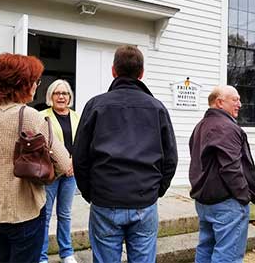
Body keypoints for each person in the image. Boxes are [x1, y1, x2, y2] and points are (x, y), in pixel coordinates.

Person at [73, 45, 178, 263]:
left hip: (108, 198)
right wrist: (156, 190)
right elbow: (171, 158)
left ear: (113, 71)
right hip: (141, 199)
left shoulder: (96, 105)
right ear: (141, 73)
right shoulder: (156, 108)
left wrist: (90, 192)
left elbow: (80, 157)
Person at [0, 53, 72, 263]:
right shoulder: (29, 115)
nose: (37, 85)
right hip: (23, 212)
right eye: (35, 81)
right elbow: (65, 163)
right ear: (21, 83)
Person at [188, 85, 255, 263]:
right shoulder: (226, 127)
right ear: (219, 102)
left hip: (205, 200)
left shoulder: (200, 126)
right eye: (235, 99)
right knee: (228, 256)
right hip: (226, 202)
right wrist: (243, 196)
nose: (240, 104)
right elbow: (231, 168)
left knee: (206, 248)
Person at [39, 80, 80, 263]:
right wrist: (62, 163)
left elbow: (81, 144)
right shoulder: (42, 116)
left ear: (69, 97)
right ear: (50, 96)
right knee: (45, 216)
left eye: (64, 93)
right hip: (50, 174)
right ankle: (41, 256)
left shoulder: (77, 117)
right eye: (57, 93)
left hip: (70, 174)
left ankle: (67, 253)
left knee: (65, 214)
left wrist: (73, 163)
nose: (61, 97)